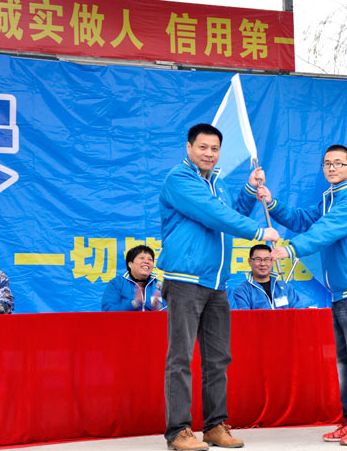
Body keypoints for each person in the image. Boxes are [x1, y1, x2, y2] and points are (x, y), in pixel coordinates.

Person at [157, 123, 279, 451]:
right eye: (203, 147)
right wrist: (258, 233)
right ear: (188, 148)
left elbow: (230, 213)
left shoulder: (218, 184)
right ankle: (178, 431)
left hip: (217, 283)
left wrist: (249, 190)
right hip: (185, 281)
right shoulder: (179, 180)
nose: (209, 154)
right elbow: (213, 214)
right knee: (181, 358)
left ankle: (214, 426)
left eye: (214, 149)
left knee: (218, 358)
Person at [258, 144, 347, 446]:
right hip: (340, 291)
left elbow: (325, 230)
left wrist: (290, 249)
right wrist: (272, 203)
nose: (332, 168)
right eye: (327, 163)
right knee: (345, 363)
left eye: (338, 163)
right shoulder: (329, 199)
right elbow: (302, 219)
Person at [231, 244, 314, 310]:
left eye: (267, 259)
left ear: (272, 261)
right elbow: (244, 319)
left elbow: (298, 312)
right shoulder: (242, 291)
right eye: (258, 259)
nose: (263, 264)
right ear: (250, 261)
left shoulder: (285, 287)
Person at [102, 245, 165, 311]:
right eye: (142, 258)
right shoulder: (117, 283)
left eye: (150, 259)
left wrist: (157, 308)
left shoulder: (160, 285)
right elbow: (108, 310)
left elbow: (170, 311)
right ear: (130, 264)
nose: (147, 262)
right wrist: (135, 303)